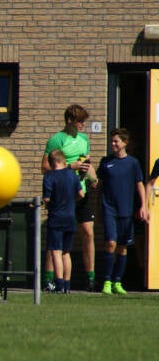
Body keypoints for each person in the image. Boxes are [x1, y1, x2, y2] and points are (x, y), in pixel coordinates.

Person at [41, 104, 97, 292]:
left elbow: (87, 163)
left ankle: (90, 277)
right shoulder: (57, 139)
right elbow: (45, 168)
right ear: (69, 121)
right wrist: (70, 168)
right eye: (80, 121)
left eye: (84, 121)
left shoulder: (83, 139)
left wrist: (93, 177)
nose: (82, 125)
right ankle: (50, 279)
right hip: (63, 195)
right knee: (55, 240)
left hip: (80, 191)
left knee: (88, 233)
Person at [96, 128, 148, 295]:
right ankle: (106, 280)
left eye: (116, 141)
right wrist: (98, 209)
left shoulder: (133, 163)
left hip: (125, 209)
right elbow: (98, 186)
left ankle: (118, 281)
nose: (113, 144)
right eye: (112, 141)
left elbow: (139, 184)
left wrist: (143, 205)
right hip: (108, 208)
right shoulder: (106, 162)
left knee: (123, 247)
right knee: (111, 243)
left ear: (124, 143)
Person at [42, 149, 84, 294]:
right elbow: (81, 194)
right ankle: (67, 285)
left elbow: (46, 198)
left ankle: (59, 285)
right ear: (63, 160)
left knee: (56, 251)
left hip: (56, 217)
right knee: (66, 252)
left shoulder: (49, 176)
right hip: (70, 217)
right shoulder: (72, 175)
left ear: (52, 162)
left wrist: (49, 203)